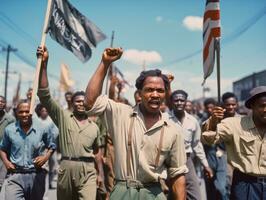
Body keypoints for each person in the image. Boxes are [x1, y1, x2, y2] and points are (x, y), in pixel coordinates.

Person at [85, 47, 188, 200]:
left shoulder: (173, 129)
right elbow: (90, 102)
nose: (155, 94)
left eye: (160, 91)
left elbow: (178, 175)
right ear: (139, 93)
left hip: (154, 193)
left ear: (165, 94)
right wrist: (105, 63)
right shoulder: (121, 114)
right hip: (122, 191)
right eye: (149, 90)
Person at [37, 46, 103, 200]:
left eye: (83, 101)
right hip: (66, 168)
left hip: (88, 170)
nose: (80, 103)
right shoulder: (64, 117)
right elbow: (44, 96)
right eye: (77, 101)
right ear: (72, 104)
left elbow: (97, 153)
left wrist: (101, 175)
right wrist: (44, 65)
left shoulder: (94, 127)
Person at [201, 86, 266, 200]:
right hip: (245, 185)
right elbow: (208, 139)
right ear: (252, 107)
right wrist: (213, 121)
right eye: (262, 106)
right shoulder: (234, 124)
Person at [0, 100, 56, 200]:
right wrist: (6, 162)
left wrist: (45, 157)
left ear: (32, 112)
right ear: (16, 113)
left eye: (27, 111)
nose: (24, 114)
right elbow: (2, 148)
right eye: (21, 112)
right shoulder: (10, 130)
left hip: (36, 175)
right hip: (15, 175)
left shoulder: (42, 128)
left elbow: (52, 146)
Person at [169, 90, 213, 200]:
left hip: (187, 160)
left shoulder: (193, 121)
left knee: (195, 195)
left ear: (186, 102)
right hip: (168, 161)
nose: (179, 103)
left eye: (182, 100)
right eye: (176, 100)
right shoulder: (164, 118)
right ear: (171, 102)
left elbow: (197, 145)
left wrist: (206, 165)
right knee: (171, 194)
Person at [35, 103, 59, 191]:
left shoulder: (52, 121)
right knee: (44, 168)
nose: (44, 112)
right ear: (39, 112)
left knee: (53, 166)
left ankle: (50, 182)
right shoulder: (36, 121)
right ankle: (43, 188)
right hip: (42, 148)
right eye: (43, 111)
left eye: (46, 111)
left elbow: (56, 133)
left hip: (52, 147)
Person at [0, 96, 15, 191]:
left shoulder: (10, 119)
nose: (0, 103)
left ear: (5, 104)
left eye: (2, 101)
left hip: (4, 156)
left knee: (0, 183)